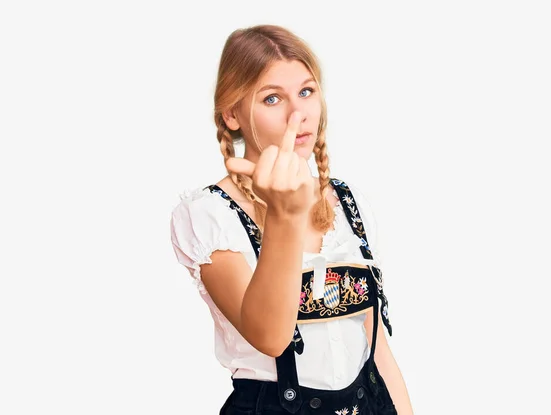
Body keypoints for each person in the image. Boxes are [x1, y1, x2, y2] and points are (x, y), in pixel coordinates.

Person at [170, 24, 414, 415]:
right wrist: (286, 216)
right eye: (272, 99)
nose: (298, 114)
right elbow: (270, 337)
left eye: (306, 91)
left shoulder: (347, 203)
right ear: (232, 114)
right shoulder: (209, 215)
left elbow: (378, 351)